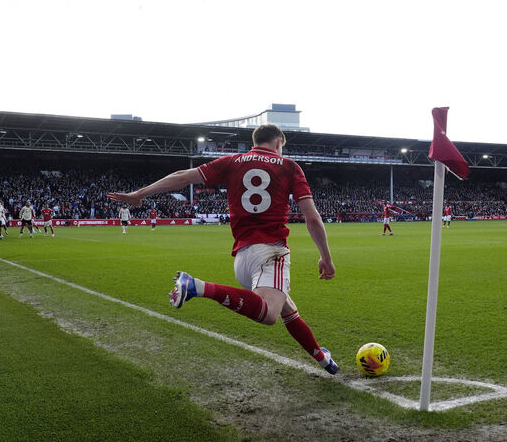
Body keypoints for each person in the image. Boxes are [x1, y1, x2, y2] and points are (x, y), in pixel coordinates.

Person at [107, 124, 339, 374]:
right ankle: (197, 286)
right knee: (271, 313)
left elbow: (182, 176)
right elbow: (312, 217)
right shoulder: (289, 167)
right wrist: (326, 257)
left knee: (287, 309)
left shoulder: (232, 161)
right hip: (271, 251)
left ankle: (322, 358)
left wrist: (141, 193)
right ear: (279, 143)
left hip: (243, 258)